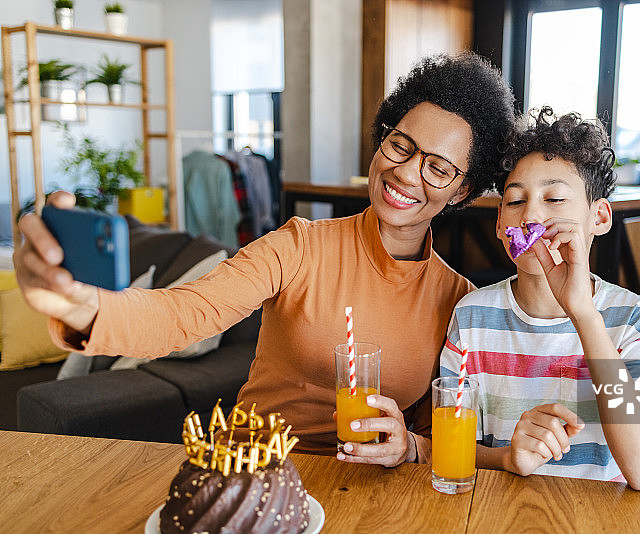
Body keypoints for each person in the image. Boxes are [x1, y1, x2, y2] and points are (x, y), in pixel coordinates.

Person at [14, 52, 515, 467]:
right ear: (382, 139)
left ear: (462, 190)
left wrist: (411, 448)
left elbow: (438, 429)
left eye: (438, 168)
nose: (407, 173)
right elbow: (187, 313)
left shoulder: (459, 300)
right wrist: (82, 309)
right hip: (255, 472)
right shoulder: (299, 246)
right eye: (400, 146)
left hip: (369, 492)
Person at [439, 107, 640, 490]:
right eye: (515, 202)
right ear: (500, 223)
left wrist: (583, 314)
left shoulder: (633, 319)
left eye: (555, 199)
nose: (531, 215)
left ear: (598, 217)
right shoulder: (472, 317)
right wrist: (507, 458)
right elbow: (451, 446)